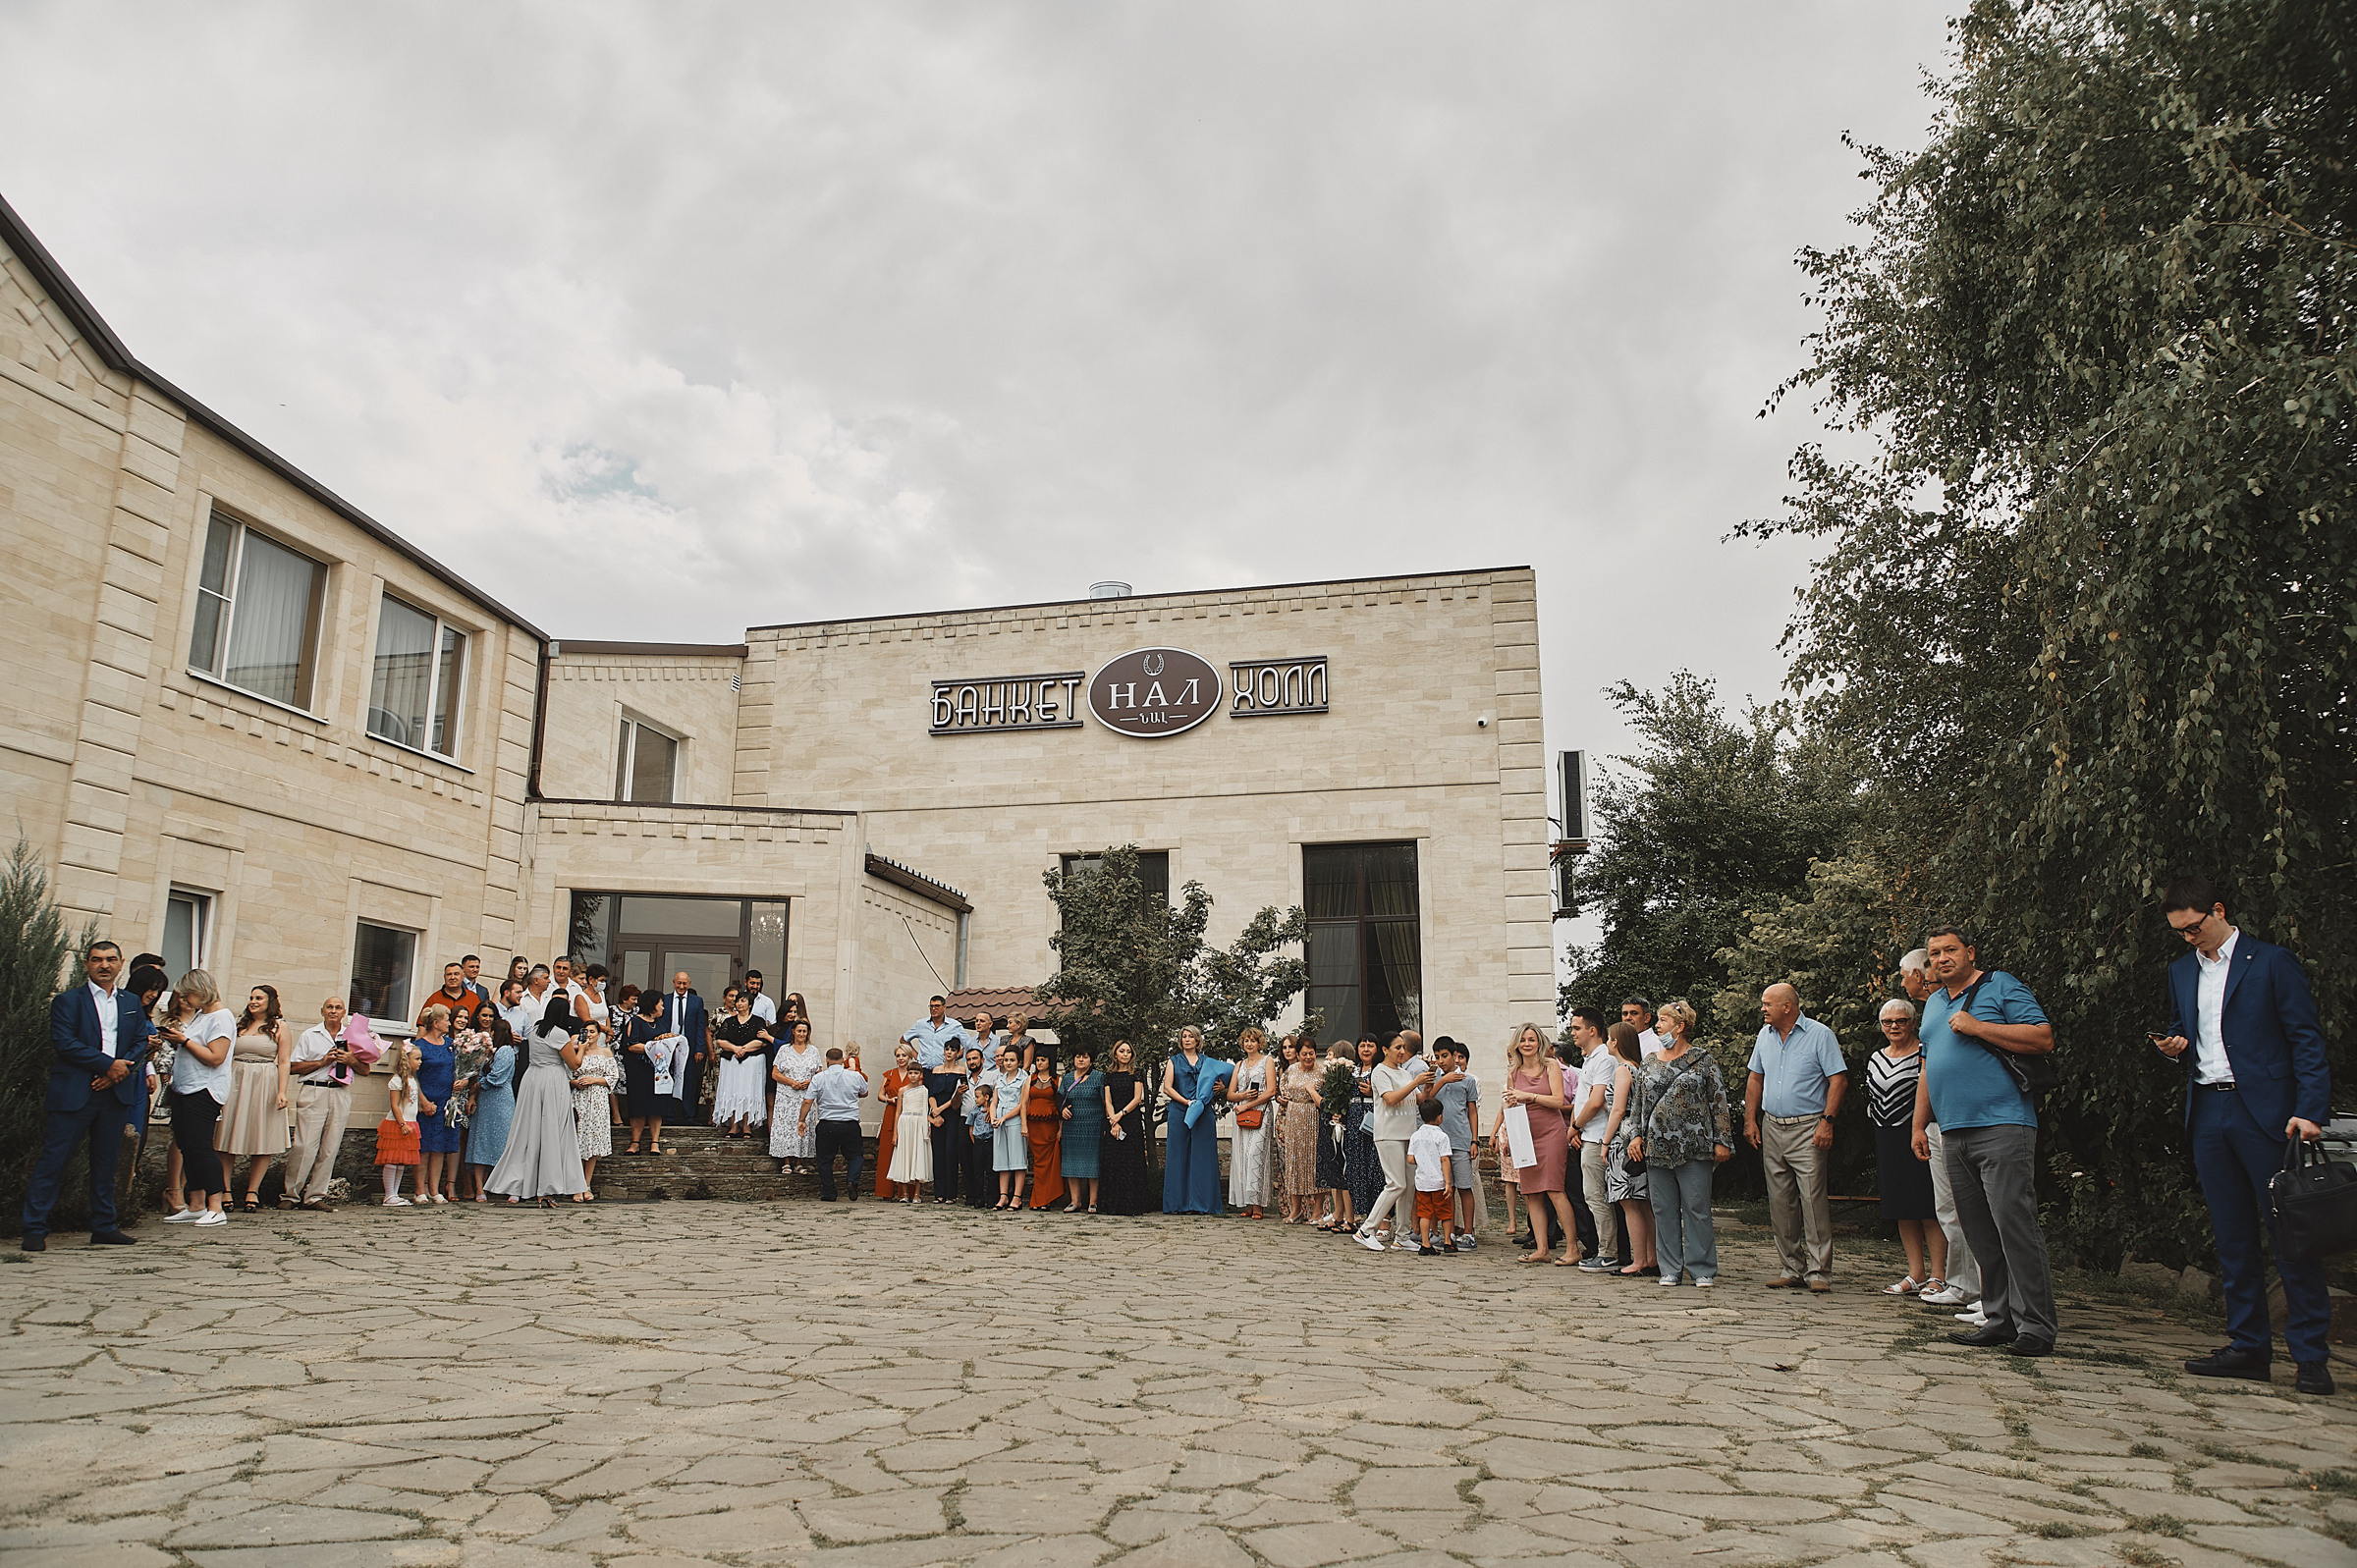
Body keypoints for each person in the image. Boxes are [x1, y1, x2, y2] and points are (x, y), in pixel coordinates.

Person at [2155, 877, 2335, 1395]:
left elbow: (2306, 1039)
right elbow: (2185, 1030)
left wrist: (2310, 1111)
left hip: (2271, 1115)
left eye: (2194, 928)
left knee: (2291, 1236)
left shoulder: (2273, 962)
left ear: (2217, 910)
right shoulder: (2180, 970)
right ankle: (2249, 1348)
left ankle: (2311, 1357)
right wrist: (2174, 1047)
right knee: (2233, 1236)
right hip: (2208, 1109)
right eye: (2180, 933)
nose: (2189, 939)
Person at [1909, 925, 2057, 1356]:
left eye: (1950, 950)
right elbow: (1928, 1067)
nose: (1941, 958)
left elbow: (2042, 1037)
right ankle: (1999, 1318)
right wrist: (1920, 1125)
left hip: (2002, 1124)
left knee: (2015, 1225)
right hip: (1952, 1131)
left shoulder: (2000, 985)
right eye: (1934, 953)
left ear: (1969, 952)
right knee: (1977, 1231)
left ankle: (2036, 1327)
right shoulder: (1935, 1003)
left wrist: (1977, 1027)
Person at [23, 941, 154, 1249]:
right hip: (74, 1092)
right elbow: (65, 1043)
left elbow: (139, 1042)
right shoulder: (68, 1001)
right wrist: (108, 1066)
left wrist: (116, 1074)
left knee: (107, 1163)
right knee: (54, 1161)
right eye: (97, 960)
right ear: (87, 965)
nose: (104, 965)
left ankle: (104, 1226)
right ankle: (33, 1229)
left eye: (110, 959)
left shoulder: (131, 1002)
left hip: (114, 1093)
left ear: (121, 964)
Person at [1744, 987, 1848, 1292]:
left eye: (1767, 1004)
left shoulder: (1820, 1034)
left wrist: (1827, 1122)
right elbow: (1755, 1077)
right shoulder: (1764, 1035)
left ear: (1787, 1007)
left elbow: (1838, 1079)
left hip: (1808, 1127)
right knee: (1780, 1202)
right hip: (1773, 1126)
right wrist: (1750, 1120)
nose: (1763, 1009)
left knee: (1812, 1199)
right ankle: (1791, 1268)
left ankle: (1819, 1273)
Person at [1628, 1005, 1733, 1287]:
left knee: (1697, 1208)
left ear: (1681, 1025)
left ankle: (1702, 1269)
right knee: (1663, 1208)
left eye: (1663, 1020)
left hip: (1695, 1146)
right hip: (1656, 1149)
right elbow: (1637, 1105)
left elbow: (1719, 1103)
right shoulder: (1648, 1062)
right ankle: (1670, 1268)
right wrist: (1635, 1136)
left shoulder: (1703, 1060)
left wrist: (1722, 1141)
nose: (1658, 1026)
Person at [485, 995, 590, 1207]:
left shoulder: (535, 1030)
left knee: (529, 1131)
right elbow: (574, 1064)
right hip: (552, 1080)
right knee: (552, 1132)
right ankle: (546, 1188)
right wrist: (583, 1048)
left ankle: (529, 1186)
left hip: (532, 1079)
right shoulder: (559, 1033)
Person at [1869, 999, 1944, 1295]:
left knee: (1928, 1206)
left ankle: (1939, 1275)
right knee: (1901, 1207)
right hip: (1887, 1138)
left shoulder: (1924, 1055)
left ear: (1913, 1023)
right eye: (1888, 1022)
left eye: (1901, 1021)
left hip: (1919, 1135)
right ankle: (1915, 1273)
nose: (1894, 1027)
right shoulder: (1876, 1058)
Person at [155, 970, 238, 1227]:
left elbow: (215, 1057)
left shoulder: (222, 1018)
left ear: (201, 991)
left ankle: (216, 1205)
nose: (186, 1000)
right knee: (186, 1145)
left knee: (201, 1147)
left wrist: (185, 1041)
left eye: (188, 994)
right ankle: (196, 1204)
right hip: (184, 1088)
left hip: (204, 1089)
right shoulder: (202, 1016)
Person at [283, 996, 377, 1212]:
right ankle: (291, 1194)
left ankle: (315, 1195)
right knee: (304, 1145)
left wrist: (351, 1060)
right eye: (329, 1007)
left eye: (338, 1008)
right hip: (314, 1089)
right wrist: (322, 1062)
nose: (334, 1011)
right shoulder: (310, 1035)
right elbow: (293, 1067)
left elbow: (365, 1070)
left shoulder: (354, 1036)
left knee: (330, 1146)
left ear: (344, 1013)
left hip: (340, 1092)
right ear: (322, 1011)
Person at [1492, 1023, 1571, 1263]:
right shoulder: (1513, 1072)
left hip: (1550, 1132)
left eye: (1532, 1039)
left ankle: (1571, 1248)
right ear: (1517, 1044)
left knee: (1555, 1190)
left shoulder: (1551, 1066)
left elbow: (1559, 1100)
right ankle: (1542, 1250)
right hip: (1524, 1134)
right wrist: (1506, 1137)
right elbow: (1509, 1107)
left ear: (1540, 1043)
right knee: (1531, 1193)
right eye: (1523, 1040)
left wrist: (1530, 1096)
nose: (1527, 1044)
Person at [214, 984, 295, 1213]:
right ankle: (225, 1189)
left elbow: (284, 1061)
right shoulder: (239, 1024)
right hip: (236, 1079)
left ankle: (253, 1191)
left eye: (259, 997)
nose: (253, 1001)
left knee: (262, 1136)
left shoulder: (280, 1026)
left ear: (270, 1001)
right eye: (251, 997)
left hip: (264, 1081)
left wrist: (281, 1091)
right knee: (227, 1134)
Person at [1355, 1035, 1430, 1251]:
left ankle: (1402, 1236)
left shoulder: (1404, 1072)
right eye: (1397, 1047)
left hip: (1408, 1134)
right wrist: (1416, 1082)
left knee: (1409, 1187)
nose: (1401, 1051)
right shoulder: (1380, 1071)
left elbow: (1418, 1100)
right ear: (1385, 1049)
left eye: (1404, 1048)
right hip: (1388, 1134)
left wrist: (1427, 1086)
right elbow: (1390, 1099)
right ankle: (1367, 1230)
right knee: (1396, 1183)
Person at [1600, 1023, 1656, 1277]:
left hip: (1623, 1139)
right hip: (1636, 1137)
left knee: (1629, 1202)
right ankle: (1651, 1258)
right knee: (1643, 1203)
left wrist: (1605, 1141)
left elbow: (1619, 1109)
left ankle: (1639, 1260)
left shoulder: (1623, 1070)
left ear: (1616, 1042)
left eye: (1610, 1038)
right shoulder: (1639, 1067)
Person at [1567, 1007, 1619, 1271]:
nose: (1572, 1033)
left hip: (1598, 1136)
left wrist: (1576, 1126)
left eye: (1577, 1028)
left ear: (1592, 1030)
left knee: (1597, 1196)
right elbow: (1582, 1099)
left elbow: (1597, 1101)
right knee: (1592, 1195)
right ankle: (1604, 1248)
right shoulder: (1590, 1059)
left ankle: (1608, 1252)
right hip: (1589, 1134)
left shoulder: (1605, 1060)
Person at [1161, 1027, 1231, 1215]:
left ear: (1198, 1040)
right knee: (1178, 1155)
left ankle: (1204, 1204)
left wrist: (1222, 1087)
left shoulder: (1208, 1061)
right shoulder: (1173, 1061)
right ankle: (1177, 1204)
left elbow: (1225, 1078)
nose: (1187, 1039)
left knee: (1204, 1156)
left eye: (1191, 1036)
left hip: (1203, 1112)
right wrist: (1187, 1102)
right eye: (1184, 1036)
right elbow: (1167, 1088)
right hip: (1179, 1111)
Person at [1429, 1037, 1482, 1250]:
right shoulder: (1434, 1078)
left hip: (1460, 1140)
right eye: (1437, 1057)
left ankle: (1468, 1232)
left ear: (1454, 1056)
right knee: (1443, 1188)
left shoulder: (1467, 1080)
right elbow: (1426, 1101)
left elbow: (1472, 1111)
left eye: (1445, 1056)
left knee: (1464, 1187)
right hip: (1438, 1141)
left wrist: (1475, 1140)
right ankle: (1446, 1233)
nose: (1441, 1061)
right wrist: (1441, 1080)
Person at [411, 1005, 463, 1205]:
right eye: (447, 1020)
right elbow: (412, 1075)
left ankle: (434, 1188)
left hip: (446, 1102)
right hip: (427, 1101)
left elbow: (459, 1067)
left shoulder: (451, 1044)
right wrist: (423, 1101)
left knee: (439, 1147)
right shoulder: (420, 1046)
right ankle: (419, 1189)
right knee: (424, 1147)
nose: (449, 1023)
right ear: (436, 1023)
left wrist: (462, 1081)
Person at [464, 1014, 519, 1200]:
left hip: (500, 1100)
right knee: (481, 1142)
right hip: (484, 1102)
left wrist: (478, 1086)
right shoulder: (490, 1052)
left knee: (502, 1143)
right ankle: (480, 1188)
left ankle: (503, 1185)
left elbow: (497, 1078)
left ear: (495, 1032)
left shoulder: (506, 1051)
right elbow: (478, 1073)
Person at [806, 1046, 870, 1201]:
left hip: (827, 1123)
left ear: (827, 1060)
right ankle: (852, 1180)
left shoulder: (819, 1078)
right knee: (855, 1156)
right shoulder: (854, 1076)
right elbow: (865, 1092)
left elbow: (808, 1101)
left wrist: (801, 1120)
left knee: (824, 1160)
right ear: (843, 1060)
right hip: (849, 1122)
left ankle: (829, 1193)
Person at [1225, 1029, 1277, 1218]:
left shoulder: (1267, 1061)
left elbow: (1271, 1090)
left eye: (1253, 1041)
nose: (1249, 1044)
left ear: (1259, 1043)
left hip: (1260, 1112)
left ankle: (1258, 1205)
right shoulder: (1239, 1064)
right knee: (1242, 1157)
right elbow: (1230, 1094)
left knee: (1256, 1155)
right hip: (1241, 1113)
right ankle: (1246, 1203)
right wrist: (1242, 1097)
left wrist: (1247, 1104)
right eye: (1246, 1040)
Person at [1098, 1041, 1153, 1216]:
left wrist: (1119, 1115)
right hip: (1113, 1120)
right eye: (1121, 1051)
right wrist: (1113, 1121)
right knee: (1113, 1161)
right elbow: (1107, 1100)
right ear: (1115, 1054)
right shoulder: (1108, 1075)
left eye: (1128, 1051)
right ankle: (1112, 1205)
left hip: (1131, 1119)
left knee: (1131, 1161)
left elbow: (1137, 1098)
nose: (1125, 1054)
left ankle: (1132, 1205)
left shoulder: (1136, 1074)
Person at [710, 992, 771, 1137]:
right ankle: (733, 1126)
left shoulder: (758, 1021)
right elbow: (720, 1040)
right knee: (732, 1091)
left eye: (743, 1001)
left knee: (748, 1092)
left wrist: (744, 1049)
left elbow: (761, 1041)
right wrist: (735, 1048)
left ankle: (747, 1126)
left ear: (750, 1004)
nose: (739, 1004)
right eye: (737, 1001)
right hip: (731, 1062)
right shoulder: (729, 1022)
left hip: (752, 1062)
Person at [1276, 1039, 1324, 1223]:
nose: (1308, 1057)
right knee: (1294, 1162)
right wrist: (1283, 1099)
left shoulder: (1322, 1070)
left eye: (1311, 1053)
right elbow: (1282, 1091)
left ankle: (1317, 1211)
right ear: (1298, 1054)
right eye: (1304, 1053)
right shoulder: (1291, 1070)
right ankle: (1295, 1210)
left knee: (1314, 1163)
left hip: (1314, 1117)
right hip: (1294, 1117)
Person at [571, 1021, 618, 1201]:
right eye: (586, 1031)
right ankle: (576, 1185)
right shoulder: (576, 1052)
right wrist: (576, 1083)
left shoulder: (605, 1053)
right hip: (579, 1099)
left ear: (599, 1034)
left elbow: (613, 1077)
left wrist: (595, 1080)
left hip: (598, 1099)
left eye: (592, 1031)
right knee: (578, 1139)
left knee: (593, 1141)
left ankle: (586, 1184)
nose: (589, 1035)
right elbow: (568, 1075)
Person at [769, 1019, 823, 1174]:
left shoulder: (813, 1051)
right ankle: (785, 1161)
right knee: (786, 1127)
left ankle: (799, 1162)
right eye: (799, 1031)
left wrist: (810, 1082)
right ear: (793, 1031)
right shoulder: (784, 1050)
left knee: (803, 1125)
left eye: (804, 1031)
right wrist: (790, 1082)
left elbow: (819, 1073)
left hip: (805, 1096)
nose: (801, 1034)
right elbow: (775, 1073)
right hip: (787, 1095)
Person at [375, 1045, 425, 1206]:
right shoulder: (397, 1080)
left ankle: (394, 1194)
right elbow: (395, 1105)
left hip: (410, 1123)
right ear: (406, 1060)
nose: (420, 1062)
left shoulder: (413, 1080)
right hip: (397, 1124)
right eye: (417, 1059)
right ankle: (389, 1194)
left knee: (401, 1160)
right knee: (392, 1159)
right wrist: (402, 1123)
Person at [1059, 1046, 1106, 1213]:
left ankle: (1093, 1201)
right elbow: (1060, 1100)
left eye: (1085, 1057)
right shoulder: (1067, 1078)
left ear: (1091, 1060)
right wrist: (1061, 1110)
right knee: (1071, 1163)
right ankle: (1075, 1201)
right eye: (1078, 1056)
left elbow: (1106, 1101)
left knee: (1093, 1164)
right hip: (1072, 1127)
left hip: (1093, 1126)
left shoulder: (1099, 1077)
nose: (1081, 1060)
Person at [885, 1045, 935, 1202]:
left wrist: (928, 1128)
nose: (913, 1076)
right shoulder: (902, 1090)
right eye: (911, 1073)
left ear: (921, 1075)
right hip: (905, 1124)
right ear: (908, 1074)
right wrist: (895, 1133)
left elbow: (925, 1111)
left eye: (916, 1073)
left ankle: (917, 1194)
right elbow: (898, 1111)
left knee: (917, 1157)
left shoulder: (925, 1090)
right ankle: (905, 1194)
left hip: (918, 1125)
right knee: (904, 1157)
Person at [871, 1044, 921, 1198]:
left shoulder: (915, 1074)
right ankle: (884, 1191)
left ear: (909, 1057)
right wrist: (889, 1099)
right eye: (898, 1056)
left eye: (903, 1056)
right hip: (891, 1112)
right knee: (887, 1151)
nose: (900, 1058)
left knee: (907, 1151)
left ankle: (906, 1192)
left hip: (909, 1114)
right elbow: (880, 1095)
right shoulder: (890, 1074)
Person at [1344, 1038, 1383, 1232]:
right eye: (1362, 1045)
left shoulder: (1380, 1070)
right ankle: (1360, 1215)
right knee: (1356, 1166)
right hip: (1354, 1120)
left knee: (1375, 1167)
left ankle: (1381, 1218)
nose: (1366, 1049)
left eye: (1370, 1046)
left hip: (1374, 1119)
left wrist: (1372, 1093)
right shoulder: (1352, 1070)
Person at [1407, 1099, 1455, 1255]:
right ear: (1440, 1117)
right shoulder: (1442, 1137)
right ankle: (1448, 1241)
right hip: (1439, 1182)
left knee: (1424, 1213)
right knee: (1445, 1212)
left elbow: (1410, 1159)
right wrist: (1448, 1182)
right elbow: (1444, 1159)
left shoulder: (1415, 1136)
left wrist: (1423, 1159)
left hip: (1422, 1182)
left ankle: (1425, 1244)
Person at [1315, 1044, 1354, 1232]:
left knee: (1342, 1171)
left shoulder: (1344, 1079)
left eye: (1330, 1054)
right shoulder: (1331, 1078)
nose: (1327, 1058)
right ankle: (1337, 1214)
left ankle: (1350, 1217)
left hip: (1341, 1128)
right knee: (1334, 1174)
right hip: (1329, 1127)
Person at [1023, 1047, 1068, 1211]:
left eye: (1043, 1060)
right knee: (1037, 1163)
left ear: (1050, 1061)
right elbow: (1024, 1104)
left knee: (1051, 1163)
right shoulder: (1031, 1079)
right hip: (1033, 1126)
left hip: (1051, 1126)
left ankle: (1046, 1199)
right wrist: (1023, 1125)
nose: (1039, 1063)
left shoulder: (1058, 1080)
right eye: (1038, 1060)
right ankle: (1038, 1198)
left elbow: (1061, 1105)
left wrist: (1061, 1129)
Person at [925, 1037, 968, 1204]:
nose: (949, 1052)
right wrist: (935, 1111)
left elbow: (959, 1095)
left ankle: (951, 1193)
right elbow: (931, 1094)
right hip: (937, 1115)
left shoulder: (961, 1071)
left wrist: (940, 1110)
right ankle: (939, 1193)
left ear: (957, 1053)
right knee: (938, 1152)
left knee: (950, 1152)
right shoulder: (935, 1070)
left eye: (952, 1050)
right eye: (947, 1049)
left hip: (952, 1113)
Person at [962, 1046, 998, 1210]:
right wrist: (975, 1140)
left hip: (989, 1142)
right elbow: (970, 1128)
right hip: (977, 1142)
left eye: (975, 1058)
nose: (971, 1062)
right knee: (976, 1171)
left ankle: (992, 1198)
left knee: (991, 1171)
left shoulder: (992, 1076)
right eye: (968, 1059)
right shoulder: (973, 1112)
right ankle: (978, 1197)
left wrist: (992, 1108)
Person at [904, 995, 968, 1070]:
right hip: (924, 1069)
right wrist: (916, 1055)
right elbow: (904, 1040)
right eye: (931, 1006)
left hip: (944, 1070)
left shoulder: (955, 1025)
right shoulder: (920, 1024)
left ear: (944, 1007)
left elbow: (969, 1044)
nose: (933, 1009)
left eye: (937, 1006)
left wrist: (955, 1056)